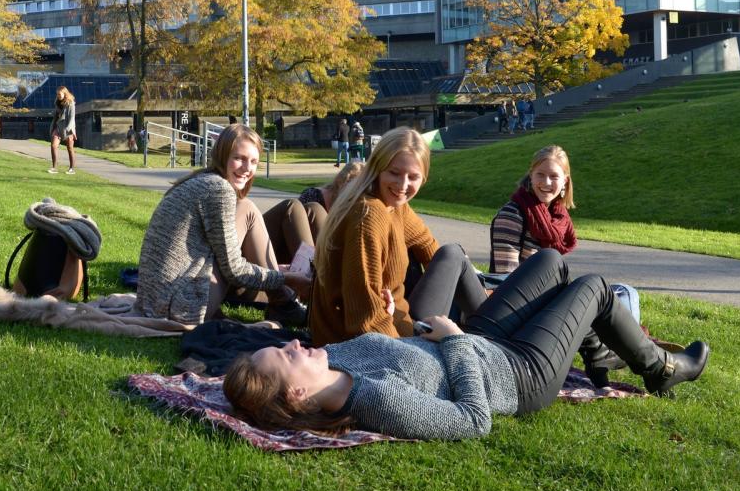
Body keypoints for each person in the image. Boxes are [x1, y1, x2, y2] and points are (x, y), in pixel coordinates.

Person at [223, 248, 710, 439]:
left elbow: (408, 353)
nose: (295, 345)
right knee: (594, 287)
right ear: (296, 395)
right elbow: (473, 423)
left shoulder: (337, 360)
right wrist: (454, 341)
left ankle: (597, 350)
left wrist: (426, 331)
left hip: (480, 342)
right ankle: (661, 368)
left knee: (550, 263)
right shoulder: (375, 400)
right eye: (288, 355)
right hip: (518, 375)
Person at [310, 127, 488, 348]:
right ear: (377, 169)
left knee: (453, 254)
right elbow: (366, 321)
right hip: (364, 345)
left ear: (424, 178)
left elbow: (428, 245)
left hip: (400, 326)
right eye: (394, 173)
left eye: (413, 177)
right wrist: (412, 356)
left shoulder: (393, 205)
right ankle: (494, 338)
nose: (402, 186)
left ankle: (492, 334)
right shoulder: (369, 215)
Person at [133, 123, 311, 326]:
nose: (247, 169)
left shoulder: (202, 179)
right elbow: (234, 269)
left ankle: (284, 302)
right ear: (222, 155)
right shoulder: (219, 189)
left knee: (246, 207)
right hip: (180, 307)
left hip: (159, 301)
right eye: (239, 159)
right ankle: (284, 304)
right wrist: (287, 278)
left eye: (253, 161)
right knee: (248, 209)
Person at [489, 145, 637, 385]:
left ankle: (608, 352)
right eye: (540, 175)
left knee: (626, 294)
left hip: (541, 302)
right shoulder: (513, 214)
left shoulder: (556, 218)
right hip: (514, 311)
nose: (546, 182)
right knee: (595, 302)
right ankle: (606, 354)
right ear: (530, 174)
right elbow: (506, 282)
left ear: (565, 181)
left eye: (554, 176)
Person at [48, 86, 77, 174]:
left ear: (65, 93)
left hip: (68, 128)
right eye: (57, 94)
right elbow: (56, 115)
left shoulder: (70, 103)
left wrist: (68, 129)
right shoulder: (57, 103)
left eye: (59, 94)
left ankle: (71, 169)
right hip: (58, 127)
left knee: (70, 148)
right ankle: (54, 168)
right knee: (53, 146)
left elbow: (72, 118)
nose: (58, 96)